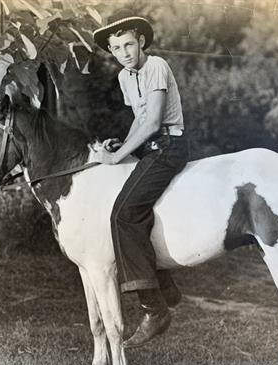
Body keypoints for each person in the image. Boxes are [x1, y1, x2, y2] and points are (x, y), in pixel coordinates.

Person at [91, 9, 189, 348]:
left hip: (170, 146)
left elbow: (153, 123)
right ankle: (166, 287)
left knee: (122, 215)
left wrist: (117, 157)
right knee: (133, 209)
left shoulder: (156, 66)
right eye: (116, 49)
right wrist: (121, 142)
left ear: (141, 41)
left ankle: (154, 308)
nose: (123, 53)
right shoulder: (123, 77)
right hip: (150, 148)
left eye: (128, 45)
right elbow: (139, 120)